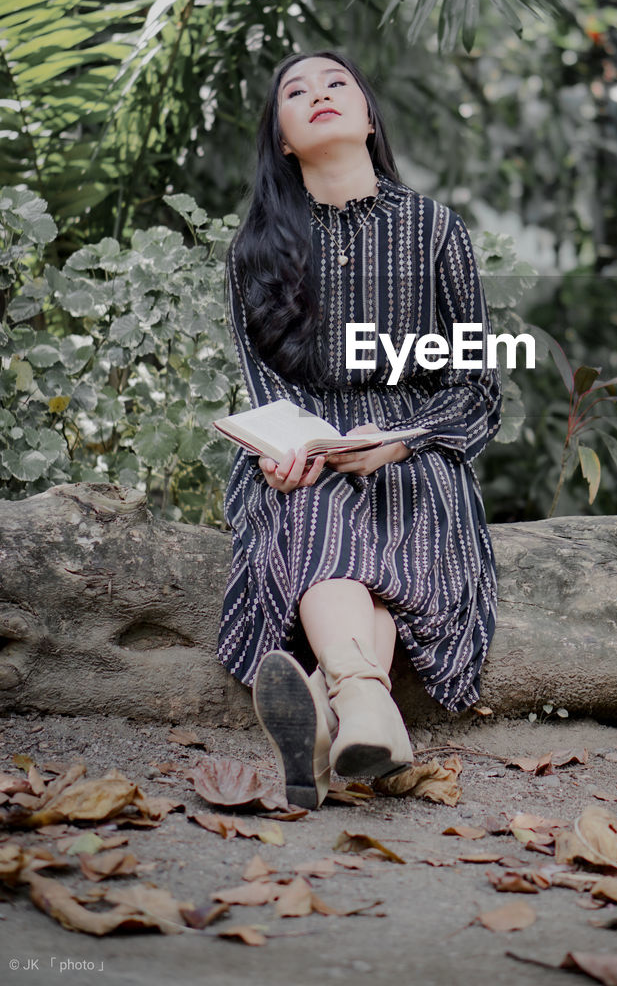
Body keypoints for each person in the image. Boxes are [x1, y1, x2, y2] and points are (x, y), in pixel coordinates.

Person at [217, 50, 501, 809]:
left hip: (416, 449)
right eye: (295, 91)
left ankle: (328, 705)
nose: (318, 94)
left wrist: (403, 440)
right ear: (280, 137)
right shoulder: (255, 250)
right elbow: (267, 393)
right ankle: (367, 710)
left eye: (337, 82)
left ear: (368, 117)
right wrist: (285, 453)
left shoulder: (435, 230)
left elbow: (475, 387)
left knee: (377, 512)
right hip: (306, 460)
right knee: (314, 503)